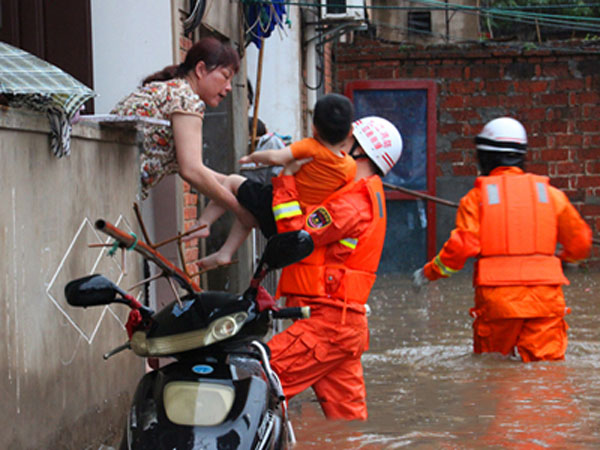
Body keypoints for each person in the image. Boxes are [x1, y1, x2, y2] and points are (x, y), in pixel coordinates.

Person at [412, 117, 592, 362]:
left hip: (498, 306)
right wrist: (564, 260)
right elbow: (581, 240)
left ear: (484, 157)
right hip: (545, 302)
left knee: (494, 376)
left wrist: (429, 273)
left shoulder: (475, 199)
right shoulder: (551, 195)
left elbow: (462, 247)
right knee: (546, 377)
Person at [268, 116, 403, 420]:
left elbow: (295, 236)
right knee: (347, 426)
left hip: (328, 326)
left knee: (258, 380)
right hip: (342, 325)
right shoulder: (362, 196)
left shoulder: (351, 205)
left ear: (359, 151)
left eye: (340, 144)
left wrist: (285, 180)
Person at [193, 93, 356, 269]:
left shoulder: (311, 147)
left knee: (232, 181)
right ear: (350, 132)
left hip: (276, 204)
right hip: (295, 223)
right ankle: (224, 254)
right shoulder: (350, 167)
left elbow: (275, 157)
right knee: (247, 211)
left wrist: (252, 157)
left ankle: (203, 223)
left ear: (314, 128)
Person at [110, 36, 254, 227]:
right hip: (113, 192)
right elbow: (192, 170)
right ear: (201, 70)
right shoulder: (186, 100)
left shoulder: (168, 89)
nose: (228, 88)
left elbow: (196, 170)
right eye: (225, 76)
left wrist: (236, 184)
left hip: (111, 185)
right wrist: (238, 210)